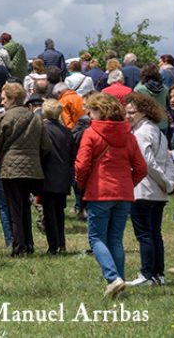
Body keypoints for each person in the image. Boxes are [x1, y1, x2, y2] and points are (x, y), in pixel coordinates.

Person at [74, 92, 147, 298]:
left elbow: (81, 165)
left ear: (100, 111)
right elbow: (141, 168)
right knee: (115, 239)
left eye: (91, 110)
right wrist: (128, 184)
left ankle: (113, 278)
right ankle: (119, 283)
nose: (89, 114)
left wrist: (81, 185)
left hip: (100, 192)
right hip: (123, 194)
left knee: (96, 238)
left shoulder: (91, 133)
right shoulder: (129, 134)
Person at [0, 82, 51, 257]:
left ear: (12, 99)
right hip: (32, 168)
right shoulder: (35, 118)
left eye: (4, 99)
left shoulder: (4, 118)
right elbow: (46, 145)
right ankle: (29, 243)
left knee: (14, 208)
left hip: (10, 168)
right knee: (25, 206)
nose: (2, 102)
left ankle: (19, 246)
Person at [124, 92, 174, 287]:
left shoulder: (141, 133)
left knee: (145, 235)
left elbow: (147, 163)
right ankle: (158, 274)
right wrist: (168, 182)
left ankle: (147, 273)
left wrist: (166, 183)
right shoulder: (157, 131)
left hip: (143, 189)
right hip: (158, 193)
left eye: (132, 112)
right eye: (127, 112)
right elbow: (167, 161)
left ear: (144, 112)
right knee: (155, 234)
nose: (128, 116)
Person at [39, 99, 73, 254]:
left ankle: (53, 245)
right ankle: (61, 242)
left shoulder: (42, 129)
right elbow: (72, 154)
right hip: (63, 175)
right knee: (59, 211)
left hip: (47, 174)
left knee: (49, 212)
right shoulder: (66, 131)